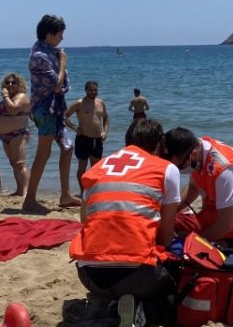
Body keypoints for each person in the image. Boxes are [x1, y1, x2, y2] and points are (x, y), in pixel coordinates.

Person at [70, 118, 180, 323]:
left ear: (127, 142)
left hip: (89, 276)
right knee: (177, 280)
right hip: (139, 277)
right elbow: (165, 237)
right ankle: (145, 312)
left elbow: (86, 222)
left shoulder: (96, 169)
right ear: (158, 145)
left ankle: (115, 304)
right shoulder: (166, 169)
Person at [161, 128, 233, 248]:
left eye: (179, 166)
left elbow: (225, 225)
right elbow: (193, 188)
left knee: (188, 248)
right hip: (218, 213)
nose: (178, 170)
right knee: (168, 221)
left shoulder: (224, 170)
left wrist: (196, 240)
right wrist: (167, 212)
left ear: (194, 154)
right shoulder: (197, 150)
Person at [23, 14, 80, 213]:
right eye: (60, 34)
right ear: (49, 34)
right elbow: (57, 85)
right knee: (43, 152)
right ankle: (29, 199)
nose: (62, 38)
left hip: (54, 108)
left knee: (67, 148)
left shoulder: (50, 52)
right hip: (44, 108)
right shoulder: (40, 56)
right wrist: (63, 62)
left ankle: (65, 195)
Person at [67, 80, 109, 191]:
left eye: (95, 90)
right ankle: (83, 192)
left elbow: (105, 118)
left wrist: (105, 131)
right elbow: (64, 116)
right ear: (86, 90)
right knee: (82, 166)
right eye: (91, 90)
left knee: (96, 167)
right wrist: (75, 128)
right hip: (83, 138)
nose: (93, 92)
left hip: (97, 139)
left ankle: (94, 191)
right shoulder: (79, 103)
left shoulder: (101, 103)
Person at [0, 72, 32, 196]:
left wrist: (5, 96)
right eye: (7, 82)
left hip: (18, 133)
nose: (10, 85)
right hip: (4, 135)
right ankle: (19, 189)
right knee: (13, 163)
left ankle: (26, 191)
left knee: (20, 163)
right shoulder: (8, 98)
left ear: (19, 84)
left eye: (14, 82)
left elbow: (13, 110)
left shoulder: (22, 96)